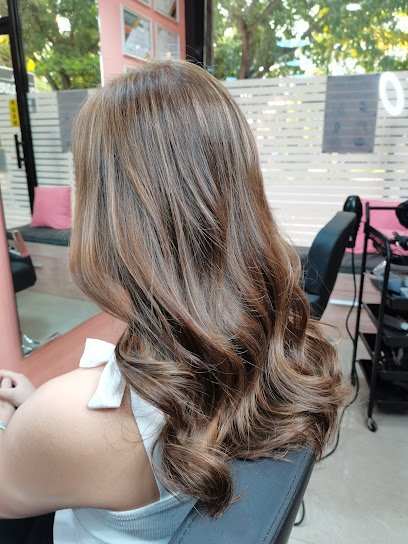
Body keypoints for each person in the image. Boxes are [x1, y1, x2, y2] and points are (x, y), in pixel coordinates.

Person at [0, 60, 347, 543]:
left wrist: (20, 420)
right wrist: (40, 410)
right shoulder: (275, 342)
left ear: (109, 213)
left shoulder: (80, 419)